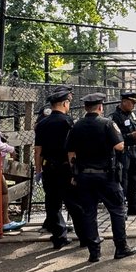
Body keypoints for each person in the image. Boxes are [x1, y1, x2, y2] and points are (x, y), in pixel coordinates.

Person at [66, 93, 131, 263]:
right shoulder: (108, 124)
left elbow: (71, 153)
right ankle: (121, 247)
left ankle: (94, 252)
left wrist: (74, 173)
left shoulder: (76, 126)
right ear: (101, 107)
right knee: (117, 210)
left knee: (89, 213)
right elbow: (119, 146)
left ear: (85, 108)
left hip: (84, 176)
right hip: (106, 176)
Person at [34, 88, 82, 250]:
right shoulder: (68, 122)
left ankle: (59, 238)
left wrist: (38, 170)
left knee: (52, 204)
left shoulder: (42, 123)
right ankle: (84, 236)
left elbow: (38, 150)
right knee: (74, 202)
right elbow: (72, 149)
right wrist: (75, 169)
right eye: (68, 102)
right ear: (64, 103)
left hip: (49, 168)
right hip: (66, 167)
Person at [110, 91, 136, 216]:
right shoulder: (115, 117)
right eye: (132, 103)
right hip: (123, 152)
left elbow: (133, 129)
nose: (134, 105)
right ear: (124, 102)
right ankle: (121, 208)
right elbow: (116, 137)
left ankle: (133, 205)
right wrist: (131, 135)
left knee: (134, 178)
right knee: (123, 180)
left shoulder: (131, 115)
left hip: (133, 150)